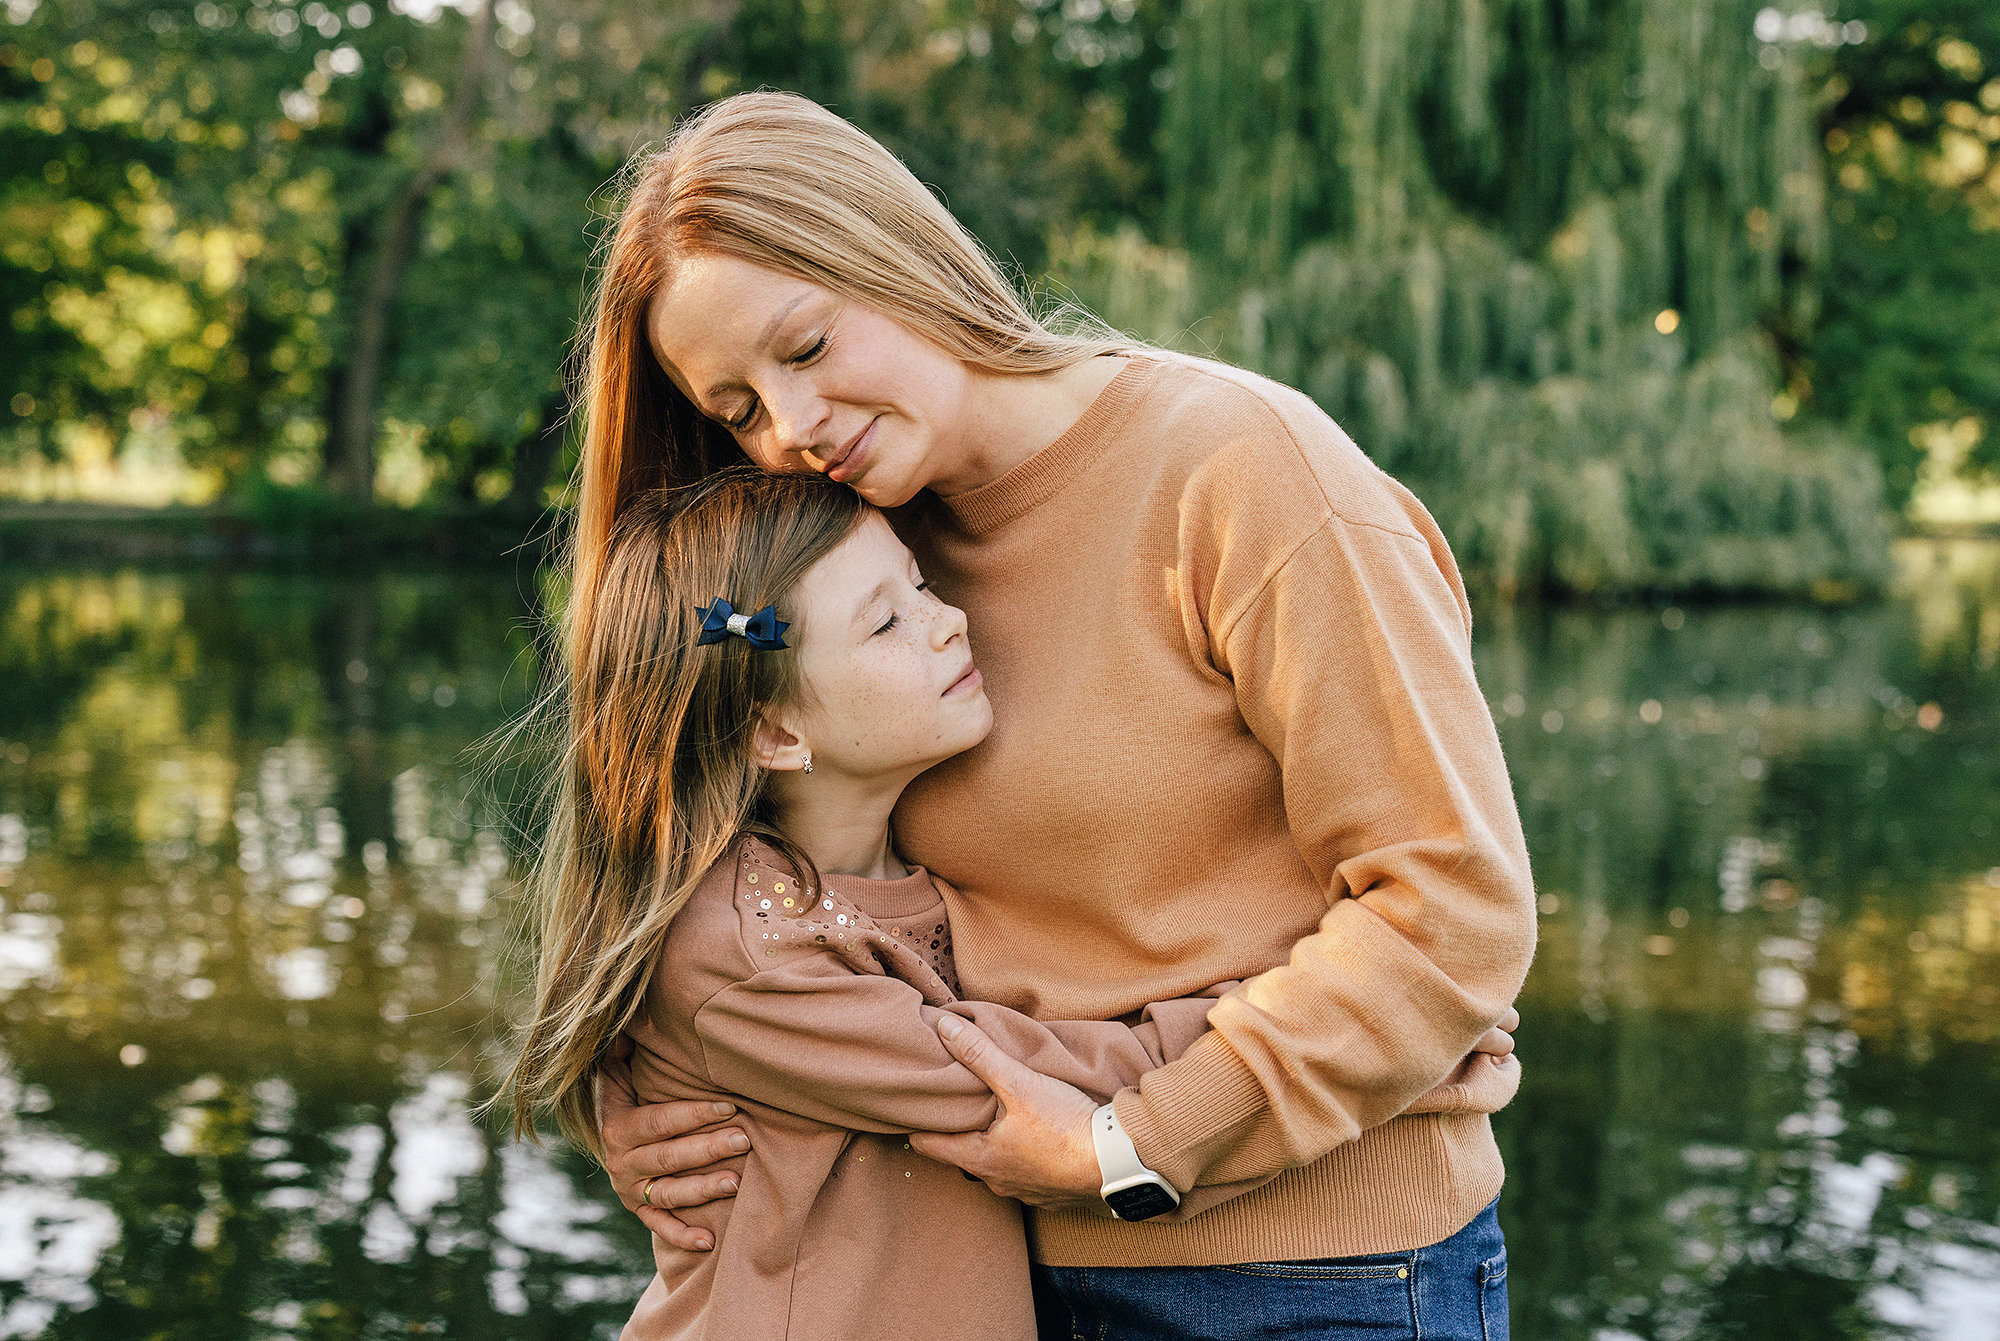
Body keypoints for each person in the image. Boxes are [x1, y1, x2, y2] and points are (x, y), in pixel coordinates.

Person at [576, 92, 1537, 1340]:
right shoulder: (838, 563)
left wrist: (1134, 1142)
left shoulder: (1240, 471)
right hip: (993, 1269)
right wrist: (656, 1093)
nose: (791, 429)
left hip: (1316, 1279)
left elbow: (1451, 906)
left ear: (893, 251)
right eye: (739, 410)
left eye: (803, 349)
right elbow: (696, 842)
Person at [502, 472, 1520, 1341]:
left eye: (920, 582)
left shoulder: (908, 877)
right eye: (886, 621)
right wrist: (1370, 1035)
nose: (947, 618)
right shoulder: (747, 945)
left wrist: (1379, 1023)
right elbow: (1019, 1083)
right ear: (773, 734)